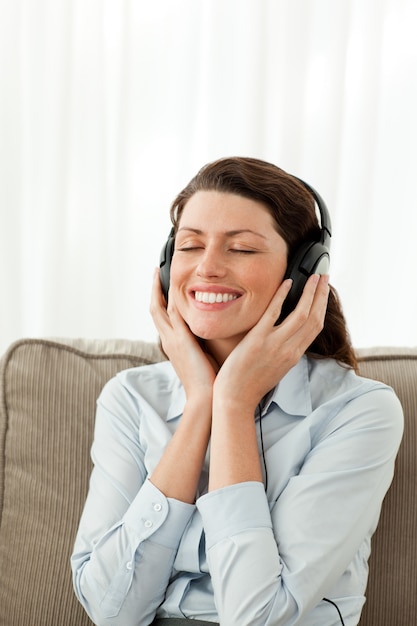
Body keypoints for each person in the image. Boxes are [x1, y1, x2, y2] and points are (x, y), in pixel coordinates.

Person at [71, 157, 403, 626]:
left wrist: (232, 404)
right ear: (168, 265)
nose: (207, 268)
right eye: (189, 246)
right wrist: (201, 404)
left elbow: (258, 617)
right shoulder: (130, 398)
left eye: (242, 249)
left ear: (305, 273)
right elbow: (113, 612)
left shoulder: (359, 411)